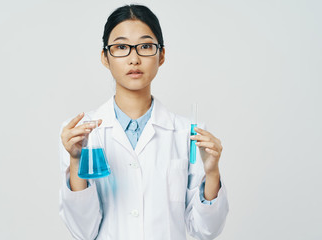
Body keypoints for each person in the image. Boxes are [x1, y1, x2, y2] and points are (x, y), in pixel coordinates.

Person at [59, 4, 229, 240]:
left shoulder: (188, 133)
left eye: (146, 46)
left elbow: (205, 230)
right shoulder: (79, 134)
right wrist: (76, 160)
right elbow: (83, 231)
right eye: (121, 47)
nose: (134, 58)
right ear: (105, 57)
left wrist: (212, 174)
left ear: (161, 55)